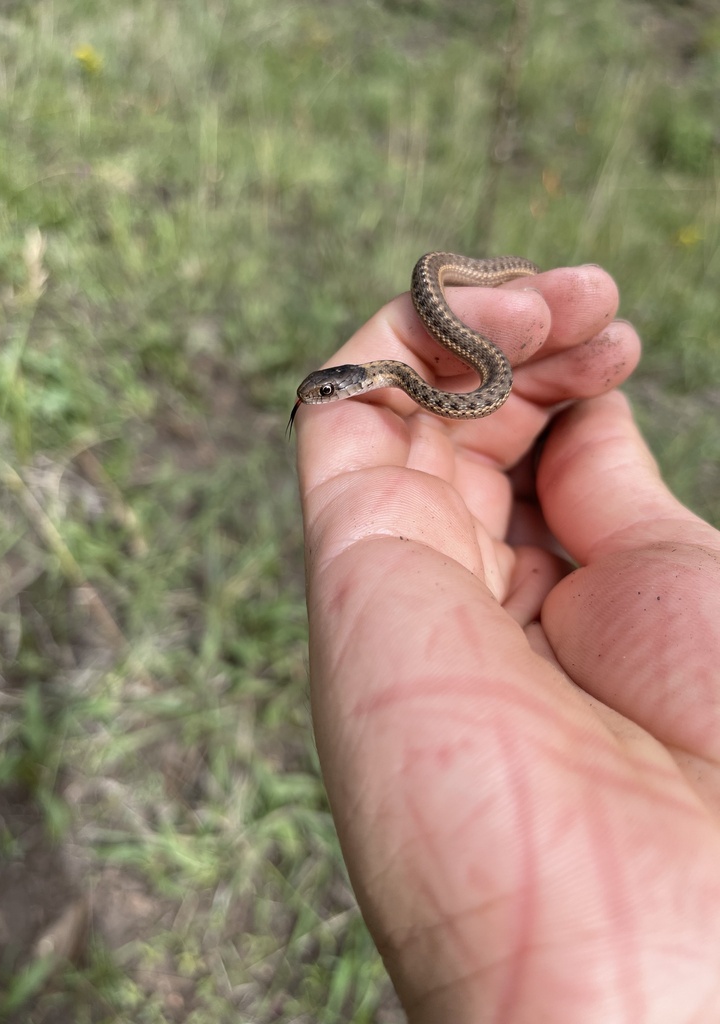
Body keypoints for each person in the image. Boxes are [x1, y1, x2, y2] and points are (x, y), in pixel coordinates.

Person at [292, 264, 720, 1023]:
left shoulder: (417, 381)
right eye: (325, 393)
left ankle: (458, 272)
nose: (321, 398)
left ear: (359, 386)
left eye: (329, 391)